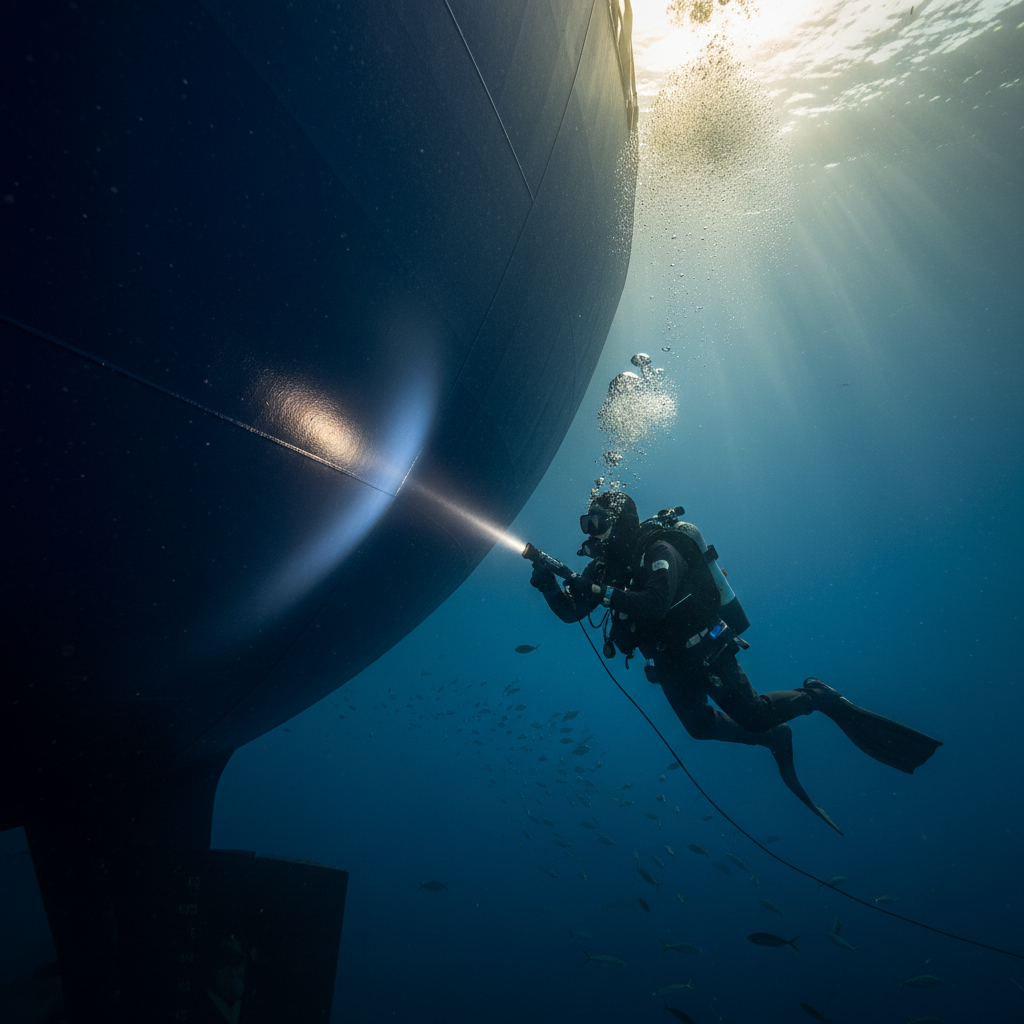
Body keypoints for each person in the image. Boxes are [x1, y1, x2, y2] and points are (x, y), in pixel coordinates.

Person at [528, 491, 942, 833]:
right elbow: (570, 612)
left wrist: (600, 591)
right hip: (669, 663)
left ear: (621, 521)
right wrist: (549, 585)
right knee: (699, 727)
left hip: (703, 648)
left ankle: (817, 696)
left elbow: (656, 602)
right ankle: (774, 738)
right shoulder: (607, 569)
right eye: (587, 524)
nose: (591, 532)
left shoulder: (659, 548)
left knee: (756, 714)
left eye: (597, 522)